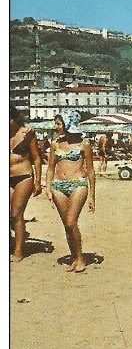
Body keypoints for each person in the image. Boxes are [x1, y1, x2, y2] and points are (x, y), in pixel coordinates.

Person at [45, 112, 95, 272]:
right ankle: (74, 257)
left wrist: (92, 196)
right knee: (67, 226)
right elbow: (51, 168)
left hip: (78, 184)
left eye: (59, 124)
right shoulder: (55, 144)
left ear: (67, 124)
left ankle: (80, 258)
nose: (56, 127)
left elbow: (91, 171)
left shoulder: (84, 144)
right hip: (59, 186)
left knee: (71, 222)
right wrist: (47, 187)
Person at [10, 104, 43, 262]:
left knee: (16, 213)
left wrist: (38, 181)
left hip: (23, 176)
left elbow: (36, 158)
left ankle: (18, 251)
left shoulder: (27, 133)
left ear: (13, 119)